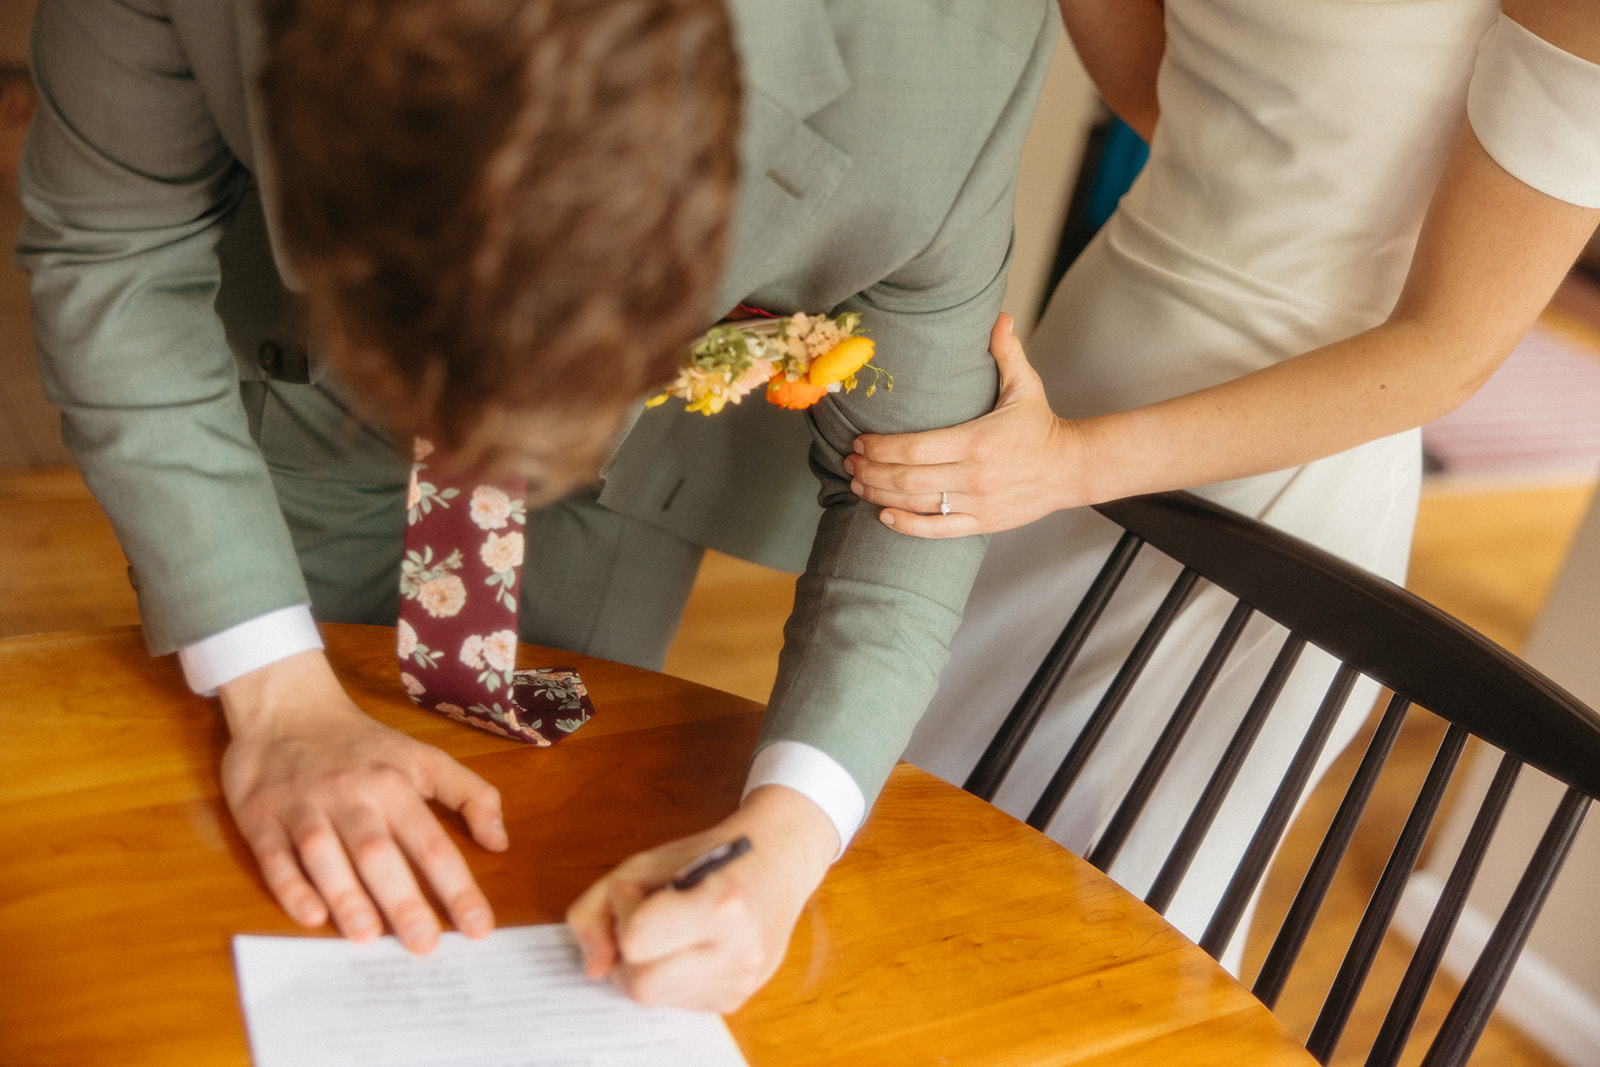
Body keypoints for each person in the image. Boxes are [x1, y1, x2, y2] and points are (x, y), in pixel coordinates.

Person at [16, 0, 1054, 1010]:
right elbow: (112, 249)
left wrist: (786, 835)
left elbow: (919, 482)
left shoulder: (949, 60)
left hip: (627, 475)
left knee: (554, 818)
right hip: (300, 402)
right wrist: (275, 694)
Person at [846, 0, 1600, 949]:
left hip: (1266, 481)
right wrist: (1055, 457)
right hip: (1073, 381)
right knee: (877, 824)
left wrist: (1071, 461)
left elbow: (1446, 348)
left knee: (1082, 936)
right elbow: (1170, 94)